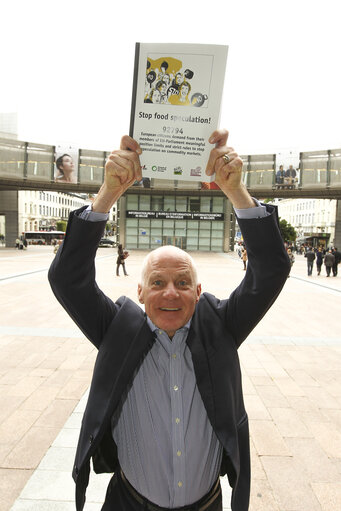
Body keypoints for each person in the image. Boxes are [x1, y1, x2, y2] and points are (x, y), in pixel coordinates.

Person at [48, 129, 290, 511]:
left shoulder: (220, 328)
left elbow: (271, 271)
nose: (171, 293)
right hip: (129, 503)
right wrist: (108, 193)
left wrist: (235, 192)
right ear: (140, 292)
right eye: (157, 282)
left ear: (198, 290)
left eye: (182, 282)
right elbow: (67, 279)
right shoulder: (117, 330)